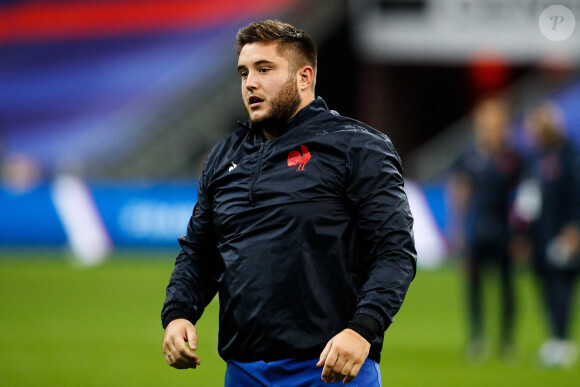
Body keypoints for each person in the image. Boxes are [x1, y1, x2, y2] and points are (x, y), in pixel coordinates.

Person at [161, 20, 416, 385]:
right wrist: (178, 314)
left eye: (265, 69)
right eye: (244, 72)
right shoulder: (223, 156)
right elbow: (200, 253)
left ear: (304, 77)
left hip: (331, 369)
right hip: (243, 372)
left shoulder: (358, 147)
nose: (250, 82)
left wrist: (363, 329)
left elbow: (395, 252)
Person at [448, 96, 522, 362]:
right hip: (476, 231)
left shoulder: (513, 158)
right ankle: (477, 338)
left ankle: (506, 341)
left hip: (505, 231)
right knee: (474, 287)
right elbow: (460, 193)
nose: (491, 128)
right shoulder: (469, 157)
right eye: (486, 123)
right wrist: (457, 231)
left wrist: (521, 234)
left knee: (506, 287)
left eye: (496, 123)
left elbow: (523, 197)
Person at [517, 101, 580, 367]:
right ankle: (554, 339)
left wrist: (574, 229)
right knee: (544, 286)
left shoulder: (569, 156)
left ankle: (563, 341)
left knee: (562, 286)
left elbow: (576, 196)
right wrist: (523, 235)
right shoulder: (535, 160)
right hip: (539, 236)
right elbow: (529, 201)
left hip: (563, 233)